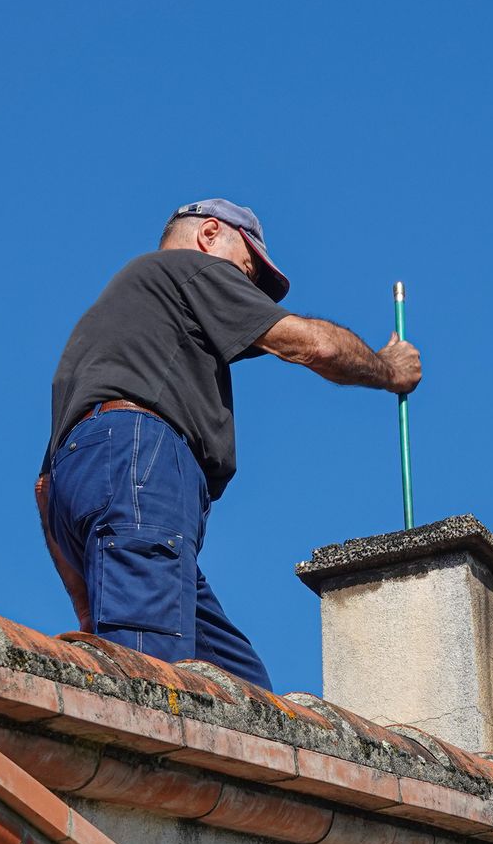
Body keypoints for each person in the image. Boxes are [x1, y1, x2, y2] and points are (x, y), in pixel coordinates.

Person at [38, 199, 422, 690]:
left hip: (104, 499)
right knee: (150, 689)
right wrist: (391, 370)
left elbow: (45, 488)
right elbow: (312, 345)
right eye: (246, 269)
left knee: (245, 697)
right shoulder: (187, 267)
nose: (246, 289)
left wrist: (88, 607)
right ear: (210, 234)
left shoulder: (107, 342)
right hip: (144, 480)